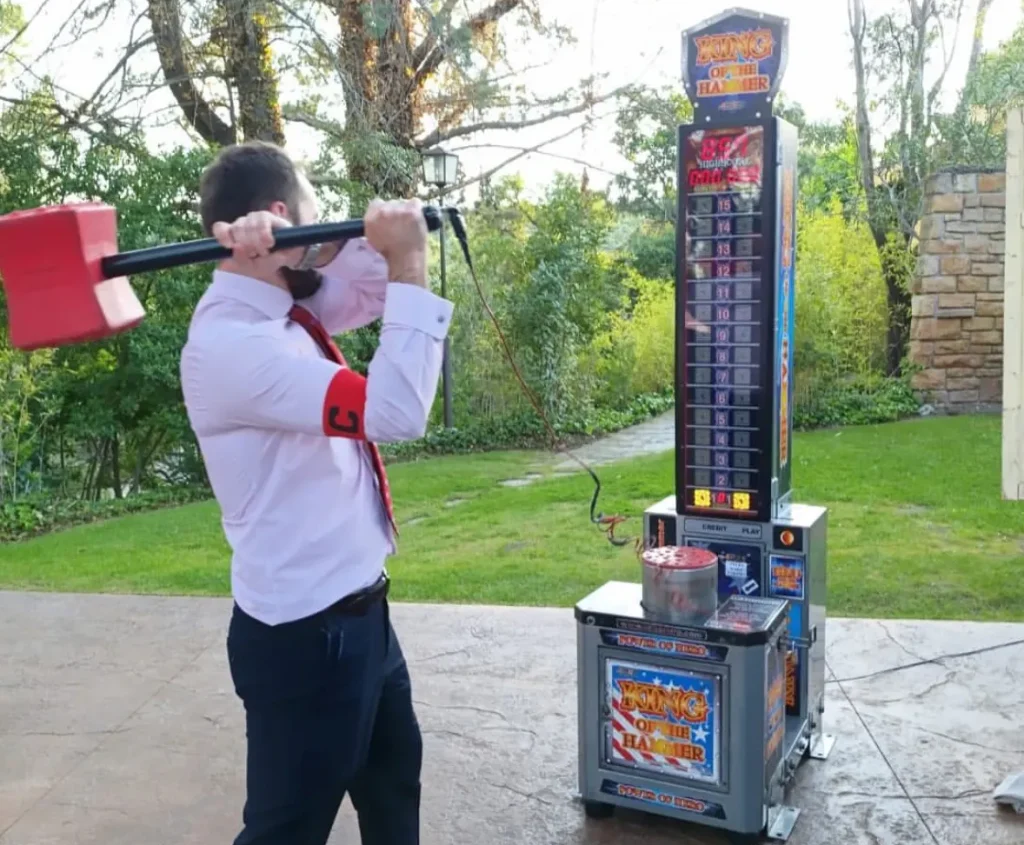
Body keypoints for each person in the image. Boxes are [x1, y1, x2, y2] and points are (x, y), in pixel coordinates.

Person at [179, 139, 453, 845]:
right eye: (311, 210)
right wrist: (411, 259)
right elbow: (396, 412)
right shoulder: (237, 345)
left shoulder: (285, 306)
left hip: (362, 612)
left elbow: (366, 288)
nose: (321, 225)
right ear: (278, 214)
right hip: (307, 638)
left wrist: (331, 238)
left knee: (394, 789)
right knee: (285, 831)